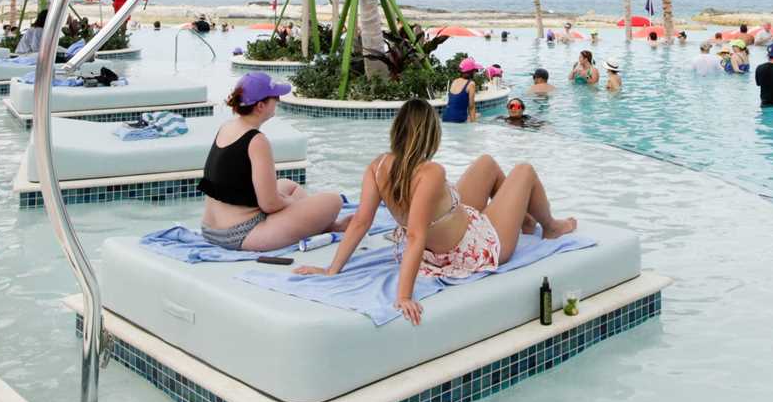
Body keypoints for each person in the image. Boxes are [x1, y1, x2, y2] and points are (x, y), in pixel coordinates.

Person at [295, 100, 577, 323]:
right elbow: (416, 235)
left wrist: (333, 269)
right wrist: (404, 296)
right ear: (432, 134)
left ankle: (525, 220)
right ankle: (550, 225)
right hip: (474, 248)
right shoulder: (430, 172)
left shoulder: (378, 166)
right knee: (524, 171)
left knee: (487, 163)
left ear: (397, 131)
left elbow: (360, 222)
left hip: (448, 234)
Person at [198, 74, 346, 251]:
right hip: (241, 234)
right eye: (275, 98)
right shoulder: (256, 141)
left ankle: (321, 224)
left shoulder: (227, 127)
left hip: (209, 229)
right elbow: (269, 204)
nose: (278, 101)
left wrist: (285, 199)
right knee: (333, 201)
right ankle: (325, 224)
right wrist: (290, 203)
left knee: (288, 185)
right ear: (261, 106)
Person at [442, 57, 481, 122]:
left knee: (478, 115)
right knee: (478, 116)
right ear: (471, 71)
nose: (475, 72)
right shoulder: (471, 84)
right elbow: (471, 107)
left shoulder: (454, 81)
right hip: (458, 119)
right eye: (474, 70)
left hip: (445, 117)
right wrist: (474, 125)